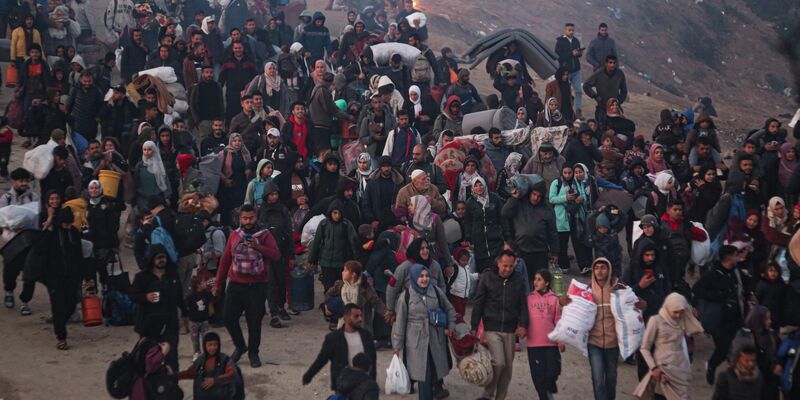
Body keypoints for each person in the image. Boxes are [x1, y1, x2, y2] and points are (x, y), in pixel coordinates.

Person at [214, 204, 281, 368]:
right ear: (240, 218)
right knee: (229, 317)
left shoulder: (265, 235)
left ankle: (253, 353)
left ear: (256, 217)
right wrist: (218, 283)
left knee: (254, 322)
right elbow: (225, 260)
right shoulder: (235, 235)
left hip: (257, 286)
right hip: (236, 284)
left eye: (251, 218)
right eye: (244, 218)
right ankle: (240, 345)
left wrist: (258, 247)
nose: (248, 221)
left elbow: (276, 255)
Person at [392, 264, 457, 400]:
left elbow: (450, 309)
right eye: (421, 276)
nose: (424, 279)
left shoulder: (436, 291)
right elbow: (400, 322)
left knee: (435, 371)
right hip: (416, 341)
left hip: (435, 339)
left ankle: (435, 392)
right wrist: (397, 346)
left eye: (427, 276)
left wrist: (451, 325)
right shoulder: (406, 296)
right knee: (423, 374)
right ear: (414, 277)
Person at [471, 250, 529, 400]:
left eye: (511, 266)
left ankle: (500, 397)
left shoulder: (518, 279)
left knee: (507, 369)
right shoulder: (487, 278)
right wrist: (474, 326)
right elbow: (479, 303)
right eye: (505, 266)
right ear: (498, 263)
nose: (508, 269)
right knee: (498, 362)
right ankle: (488, 393)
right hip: (491, 328)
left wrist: (523, 324)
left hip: (510, 330)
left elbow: (523, 304)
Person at [634, 293, 704, 399]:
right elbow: (644, 348)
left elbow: (697, 330)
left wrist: (690, 313)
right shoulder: (656, 321)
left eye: (681, 312)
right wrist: (654, 368)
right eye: (675, 312)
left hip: (681, 369)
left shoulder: (682, 319)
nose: (678, 315)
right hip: (663, 370)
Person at [694, 245, 748, 385]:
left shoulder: (736, 271)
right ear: (729, 257)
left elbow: (743, 287)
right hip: (720, 318)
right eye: (736, 254)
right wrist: (717, 296)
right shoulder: (713, 274)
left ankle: (733, 375)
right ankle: (712, 366)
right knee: (724, 347)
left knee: (732, 347)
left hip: (735, 316)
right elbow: (698, 289)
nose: (739, 257)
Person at [130, 244, 187, 369]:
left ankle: (172, 385)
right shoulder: (142, 277)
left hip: (169, 323)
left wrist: (185, 314)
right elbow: (133, 295)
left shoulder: (173, 275)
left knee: (171, 358)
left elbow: (179, 296)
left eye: (163, 257)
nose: (161, 260)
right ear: (152, 259)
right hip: (148, 324)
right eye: (158, 258)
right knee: (148, 357)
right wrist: (146, 297)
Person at [303, 303, 378, 390]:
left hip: (363, 385)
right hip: (343, 385)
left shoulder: (366, 336)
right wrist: (308, 376)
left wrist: (373, 383)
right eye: (356, 316)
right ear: (346, 318)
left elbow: (373, 360)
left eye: (361, 316)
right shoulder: (333, 338)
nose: (360, 319)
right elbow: (322, 359)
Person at [257, 182, 296, 327]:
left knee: (281, 281)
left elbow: (288, 232)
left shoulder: (282, 210)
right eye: (271, 194)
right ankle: (273, 313)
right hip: (266, 253)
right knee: (270, 282)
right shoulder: (262, 211)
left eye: (276, 194)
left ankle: (281, 306)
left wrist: (291, 255)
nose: (274, 197)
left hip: (281, 251)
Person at [526, 269, 564, 400]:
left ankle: (550, 387)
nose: (535, 282)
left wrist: (560, 341)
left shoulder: (554, 300)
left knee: (554, 370)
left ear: (547, 283)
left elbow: (558, 320)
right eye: (535, 279)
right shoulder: (529, 299)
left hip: (551, 343)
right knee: (538, 378)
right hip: (533, 344)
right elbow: (523, 319)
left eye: (539, 279)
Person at [308, 201, 359, 292]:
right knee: (328, 288)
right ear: (330, 213)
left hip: (342, 263)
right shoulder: (324, 224)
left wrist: (356, 260)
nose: (337, 216)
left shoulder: (346, 225)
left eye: (339, 213)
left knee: (342, 289)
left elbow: (354, 243)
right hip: (326, 263)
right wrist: (312, 260)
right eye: (335, 213)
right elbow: (317, 242)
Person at [324, 260, 389, 333]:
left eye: (345, 271)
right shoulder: (340, 285)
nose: (342, 272)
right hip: (343, 322)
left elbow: (376, 302)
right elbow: (328, 294)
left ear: (353, 274)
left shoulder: (364, 288)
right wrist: (328, 305)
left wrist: (387, 313)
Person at [550, 164, 592, 274]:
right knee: (562, 244)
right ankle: (564, 265)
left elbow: (583, 194)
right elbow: (551, 199)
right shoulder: (557, 183)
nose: (567, 175)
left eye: (570, 173)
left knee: (578, 242)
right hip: (562, 217)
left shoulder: (576, 182)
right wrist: (565, 198)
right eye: (565, 173)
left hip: (575, 217)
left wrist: (580, 199)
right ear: (562, 172)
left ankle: (583, 266)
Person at [463, 177, 510, 272]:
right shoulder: (470, 202)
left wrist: (507, 236)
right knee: (484, 271)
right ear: (472, 188)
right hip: (479, 242)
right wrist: (468, 238)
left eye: (480, 185)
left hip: (495, 239)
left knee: (498, 268)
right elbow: (467, 222)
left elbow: (502, 218)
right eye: (476, 185)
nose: (479, 187)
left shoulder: (494, 198)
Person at [177, 331, 238, 399]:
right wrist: (174, 375)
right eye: (210, 345)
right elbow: (190, 373)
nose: (213, 348)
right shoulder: (200, 361)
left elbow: (232, 374)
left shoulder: (225, 360)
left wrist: (215, 380)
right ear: (204, 346)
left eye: (215, 345)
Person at [218, 133, 252, 226]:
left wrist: (248, 171)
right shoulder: (223, 153)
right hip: (228, 187)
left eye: (239, 141)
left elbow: (250, 166)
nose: (237, 143)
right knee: (227, 212)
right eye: (234, 141)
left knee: (240, 210)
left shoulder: (245, 153)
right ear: (230, 142)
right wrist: (224, 179)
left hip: (242, 186)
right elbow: (217, 170)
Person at [582, 55, 627, 123]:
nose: (612, 65)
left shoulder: (619, 74)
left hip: (615, 108)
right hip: (602, 107)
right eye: (610, 62)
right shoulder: (599, 73)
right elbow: (586, 85)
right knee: (601, 128)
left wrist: (619, 101)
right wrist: (595, 96)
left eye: (614, 63)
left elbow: (624, 90)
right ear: (606, 63)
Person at [554, 23, 583, 116]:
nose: (571, 32)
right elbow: (557, 56)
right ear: (565, 30)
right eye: (569, 30)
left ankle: (578, 110)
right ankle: (563, 111)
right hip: (565, 71)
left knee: (578, 91)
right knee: (565, 93)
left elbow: (578, 55)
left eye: (572, 30)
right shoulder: (560, 41)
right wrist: (571, 53)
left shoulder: (576, 41)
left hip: (576, 70)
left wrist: (578, 53)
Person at [134, 141, 171, 210]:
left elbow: (165, 180)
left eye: (149, 149)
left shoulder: (159, 165)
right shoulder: (139, 166)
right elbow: (136, 182)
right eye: (144, 149)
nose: (146, 152)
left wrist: (167, 196)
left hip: (158, 198)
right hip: (143, 199)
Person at [184, 276, 213, 361]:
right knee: (195, 339)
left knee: (206, 337)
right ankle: (197, 352)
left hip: (204, 320)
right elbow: (185, 307)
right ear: (198, 285)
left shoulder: (206, 293)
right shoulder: (190, 296)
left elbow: (213, 299)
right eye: (203, 282)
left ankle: (207, 353)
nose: (205, 283)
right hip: (193, 321)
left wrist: (214, 293)